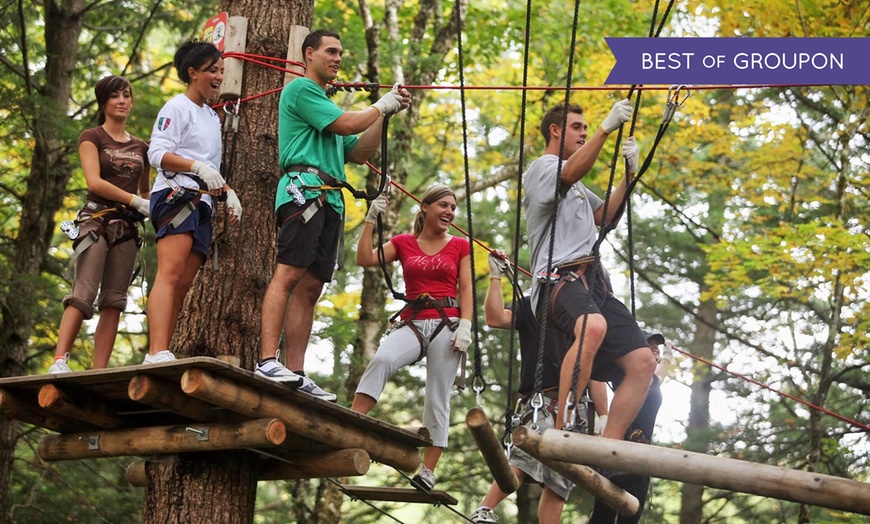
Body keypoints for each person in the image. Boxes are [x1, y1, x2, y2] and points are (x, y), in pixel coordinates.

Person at [254, 29, 410, 400]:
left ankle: (295, 370)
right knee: (289, 273)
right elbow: (346, 124)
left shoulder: (325, 104)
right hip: (303, 190)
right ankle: (265, 360)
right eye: (331, 51)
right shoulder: (301, 90)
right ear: (309, 54)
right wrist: (379, 106)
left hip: (330, 197)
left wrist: (383, 117)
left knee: (311, 287)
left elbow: (358, 152)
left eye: (341, 52)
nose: (338, 58)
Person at [523, 101, 657, 444]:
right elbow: (568, 173)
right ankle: (564, 422)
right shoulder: (543, 168)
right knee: (592, 325)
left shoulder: (579, 188)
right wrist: (605, 129)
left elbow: (607, 218)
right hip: (557, 279)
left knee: (643, 362)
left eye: (586, 128)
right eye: (577, 127)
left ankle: (608, 448)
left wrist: (629, 177)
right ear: (556, 130)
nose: (583, 133)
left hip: (591, 283)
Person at [470, 251, 608, 524]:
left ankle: (487, 510)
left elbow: (594, 369)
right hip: (542, 399)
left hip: (574, 408)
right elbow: (496, 318)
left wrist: (604, 414)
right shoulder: (533, 305)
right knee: (525, 457)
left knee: (560, 481)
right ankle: (485, 509)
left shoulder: (587, 314)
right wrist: (496, 276)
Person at [351, 185, 472, 491]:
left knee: (438, 394)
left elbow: (468, 289)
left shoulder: (460, 245)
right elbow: (364, 258)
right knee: (382, 359)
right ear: (425, 208)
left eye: (453, 207)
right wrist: (370, 218)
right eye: (443, 205)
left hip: (448, 323)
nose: (449, 212)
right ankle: (350, 423)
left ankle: (428, 471)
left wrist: (467, 325)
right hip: (414, 320)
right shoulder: (404, 243)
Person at [144, 41, 242, 364]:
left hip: (202, 203)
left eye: (221, 71)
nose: (219, 77)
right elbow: (157, 154)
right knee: (170, 274)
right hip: (176, 196)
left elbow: (211, 166)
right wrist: (195, 167)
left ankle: (164, 348)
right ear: (192, 73)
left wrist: (227, 192)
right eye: (212, 70)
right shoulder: (176, 107)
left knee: (183, 283)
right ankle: (156, 351)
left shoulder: (212, 118)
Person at [48, 75, 151, 373]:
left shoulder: (141, 147)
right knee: (83, 293)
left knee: (115, 300)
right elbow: (94, 182)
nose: (122, 101)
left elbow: (145, 192)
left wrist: (150, 205)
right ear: (103, 102)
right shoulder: (92, 137)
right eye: (115, 95)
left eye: (127, 95)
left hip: (127, 229)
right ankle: (59, 360)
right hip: (96, 222)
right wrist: (135, 201)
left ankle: (100, 370)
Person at [587, 330, 674, 524]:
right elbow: (596, 375)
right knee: (604, 517)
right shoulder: (631, 375)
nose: (654, 347)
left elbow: (660, 376)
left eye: (656, 345)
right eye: (649, 343)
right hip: (621, 450)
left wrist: (667, 355)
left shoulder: (651, 382)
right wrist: (603, 415)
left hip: (641, 454)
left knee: (629, 517)